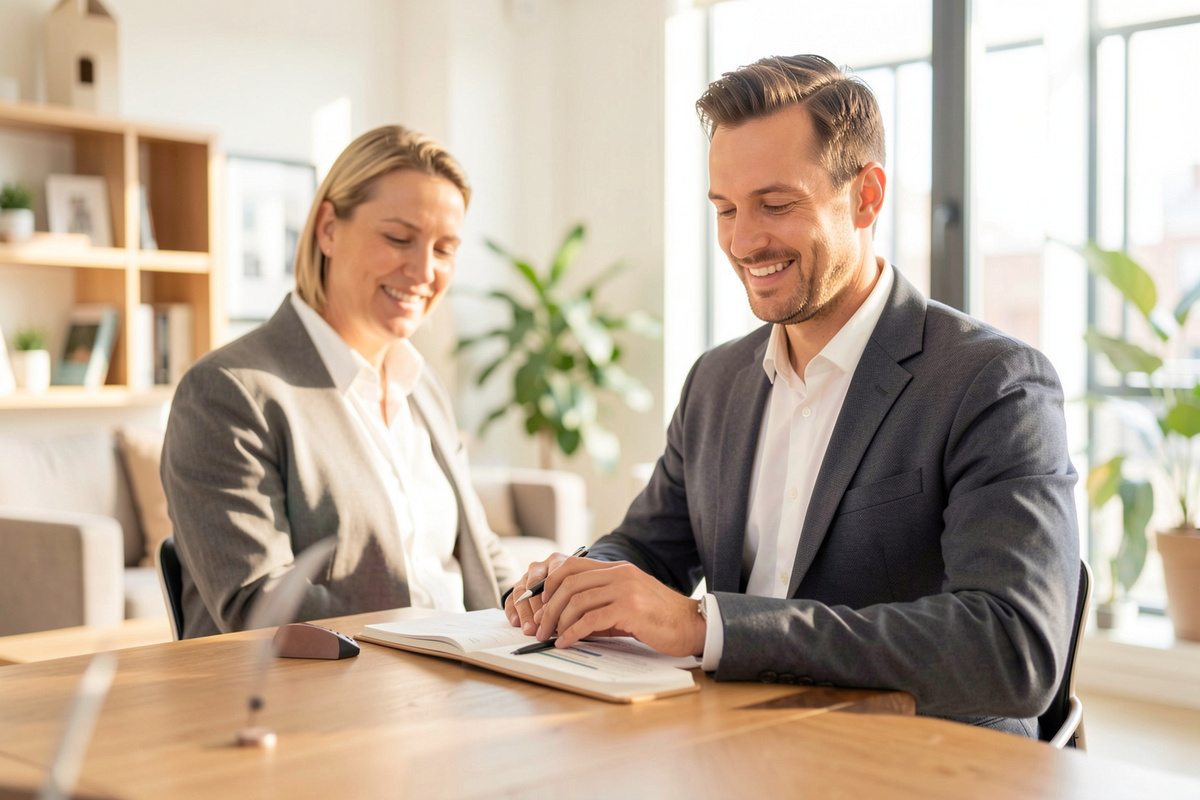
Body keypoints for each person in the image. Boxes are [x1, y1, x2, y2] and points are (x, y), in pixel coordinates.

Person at [506, 55, 1079, 738]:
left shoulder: (993, 383)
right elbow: (650, 547)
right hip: (734, 750)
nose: (745, 242)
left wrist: (702, 625)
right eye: (725, 209)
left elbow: (1013, 649)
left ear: (865, 196)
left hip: (916, 765)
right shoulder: (716, 383)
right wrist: (582, 582)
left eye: (776, 205)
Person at [162, 125, 517, 639]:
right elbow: (260, 605)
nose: (423, 270)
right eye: (399, 238)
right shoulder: (229, 393)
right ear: (328, 227)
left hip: (459, 683)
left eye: (445, 249)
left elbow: (480, 555)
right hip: (321, 703)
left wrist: (550, 610)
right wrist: (438, 638)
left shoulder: (422, 387)